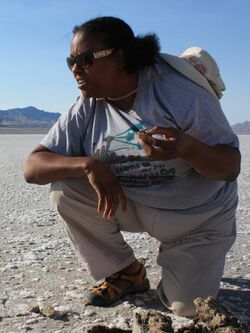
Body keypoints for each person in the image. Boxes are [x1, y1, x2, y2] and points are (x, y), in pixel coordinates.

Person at [24, 16, 241, 317]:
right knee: (65, 188)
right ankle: (125, 272)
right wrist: (88, 165)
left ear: (120, 57)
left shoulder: (180, 94)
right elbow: (33, 166)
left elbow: (230, 167)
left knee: (189, 308)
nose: (76, 69)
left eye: (85, 59)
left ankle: (187, 258)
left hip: (197, 220)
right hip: (134, 203)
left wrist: (185, 148)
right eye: (71, 61)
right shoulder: (88, 104)